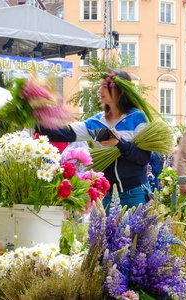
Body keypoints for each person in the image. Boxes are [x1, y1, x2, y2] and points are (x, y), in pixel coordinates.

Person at [40, 70, 152, 210]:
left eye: (105, 86)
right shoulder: (97, 122)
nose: (100, 90)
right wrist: (38, 121)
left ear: (120, 91)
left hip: (135, 193)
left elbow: (143, 157)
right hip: (108, 195)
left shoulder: (137, 118)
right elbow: (66, 133)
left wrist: (119, 143)